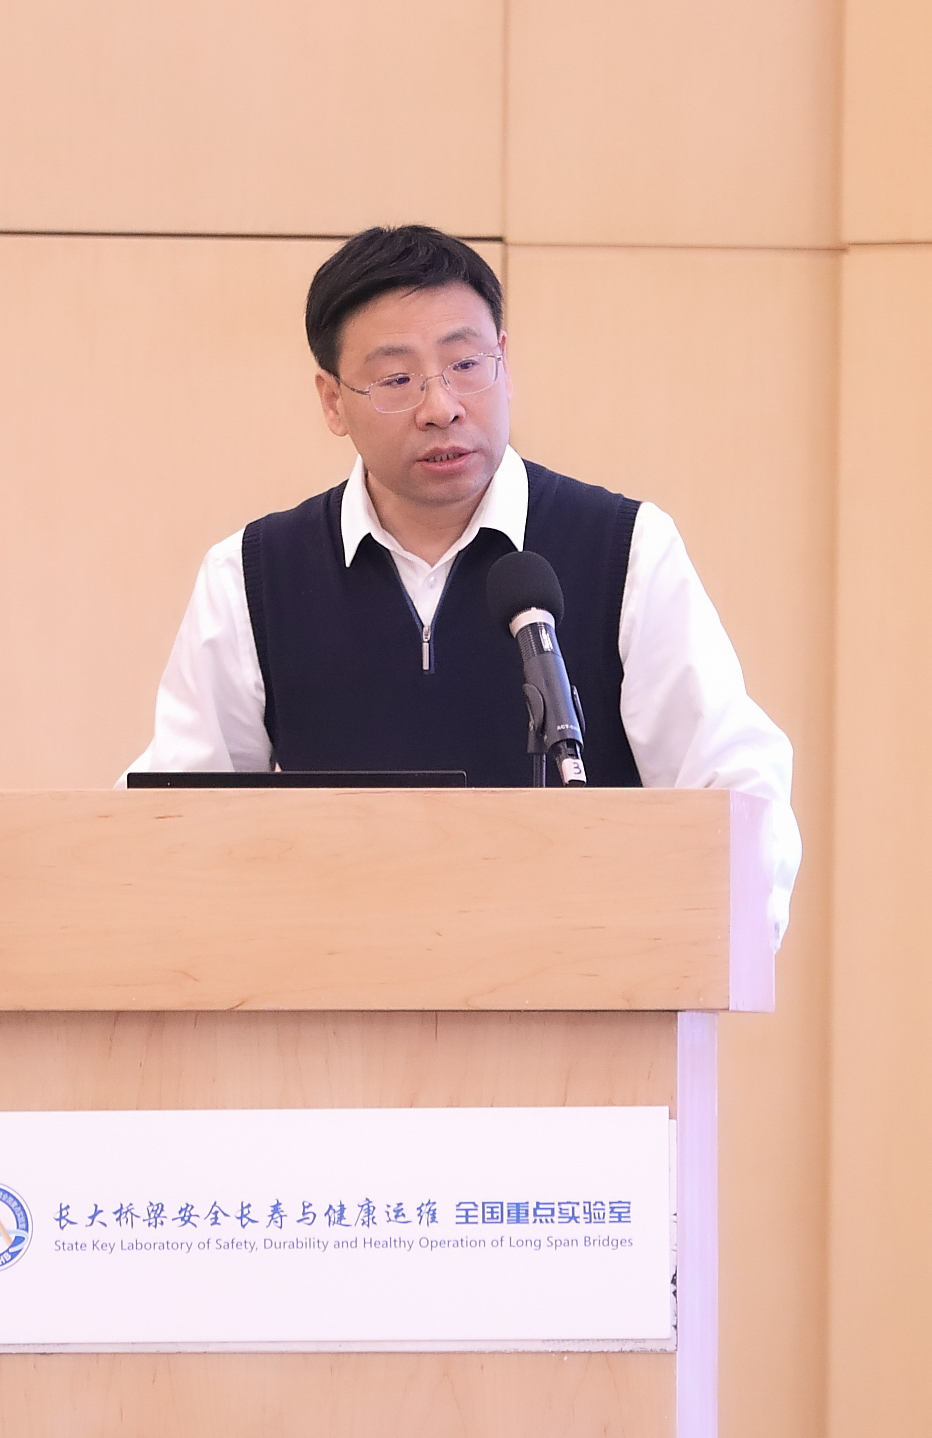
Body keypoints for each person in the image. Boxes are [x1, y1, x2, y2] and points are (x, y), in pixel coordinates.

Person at [126, 223, 801, 943]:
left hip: (582, 994)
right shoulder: (254, 574)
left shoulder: (624, 548)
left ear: (504, 363)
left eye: (466, 364)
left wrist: (707, 954)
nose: (440, 406)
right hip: (331, 995)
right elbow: (175, 820)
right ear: (331, 400)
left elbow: (733, 790)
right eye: (396, 379)